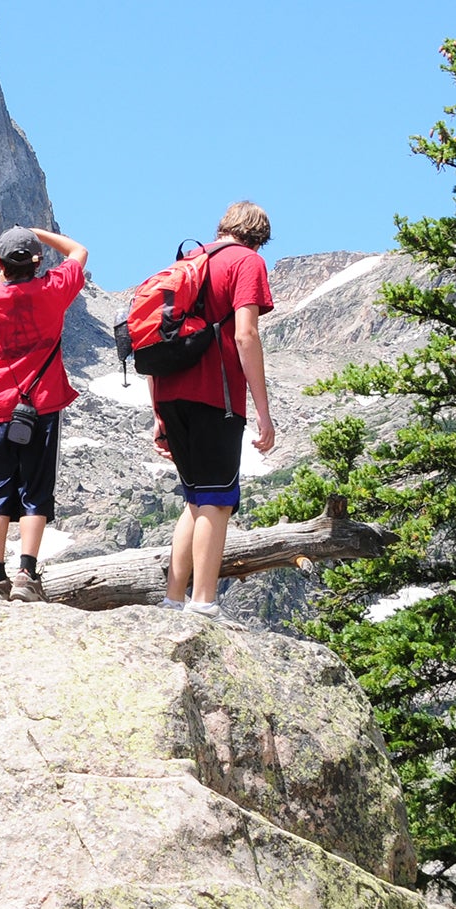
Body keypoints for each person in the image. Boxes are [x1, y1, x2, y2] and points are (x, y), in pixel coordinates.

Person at [151, 202, 276, 617]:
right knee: (217, 500)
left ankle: (173, 598)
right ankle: (203, 603)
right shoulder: (247, 262)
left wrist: (158, 413)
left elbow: (152, 338)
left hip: (170, 393)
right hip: (215, 396)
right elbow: (245, 335)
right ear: (258, 237)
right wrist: (263, 410)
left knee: (194, 497)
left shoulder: (188, 261)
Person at [0, 226, 88, 602]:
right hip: (44, 406)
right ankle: (26, 573)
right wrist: (38, 232)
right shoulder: (54, 289)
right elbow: (79, 251)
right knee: (36, 490)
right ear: (37, 262)